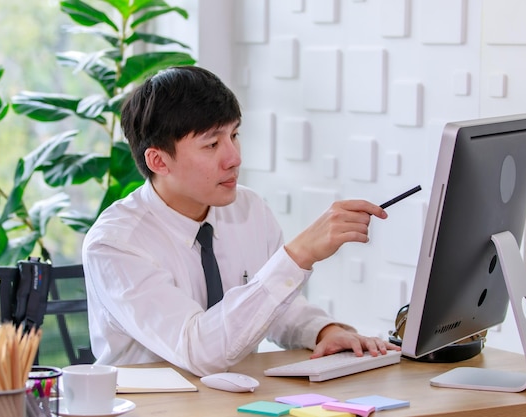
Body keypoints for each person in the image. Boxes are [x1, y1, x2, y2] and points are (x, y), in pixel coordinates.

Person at [82, 65, 400, 376]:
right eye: (212, 144)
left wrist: (322, 331)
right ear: (159, 161)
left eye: (234, 135)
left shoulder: (249, 208)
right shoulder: (115, 243)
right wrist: (299, 255)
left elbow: (270, 308)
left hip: (235, 400)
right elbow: (196, 351)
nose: (235, 158)